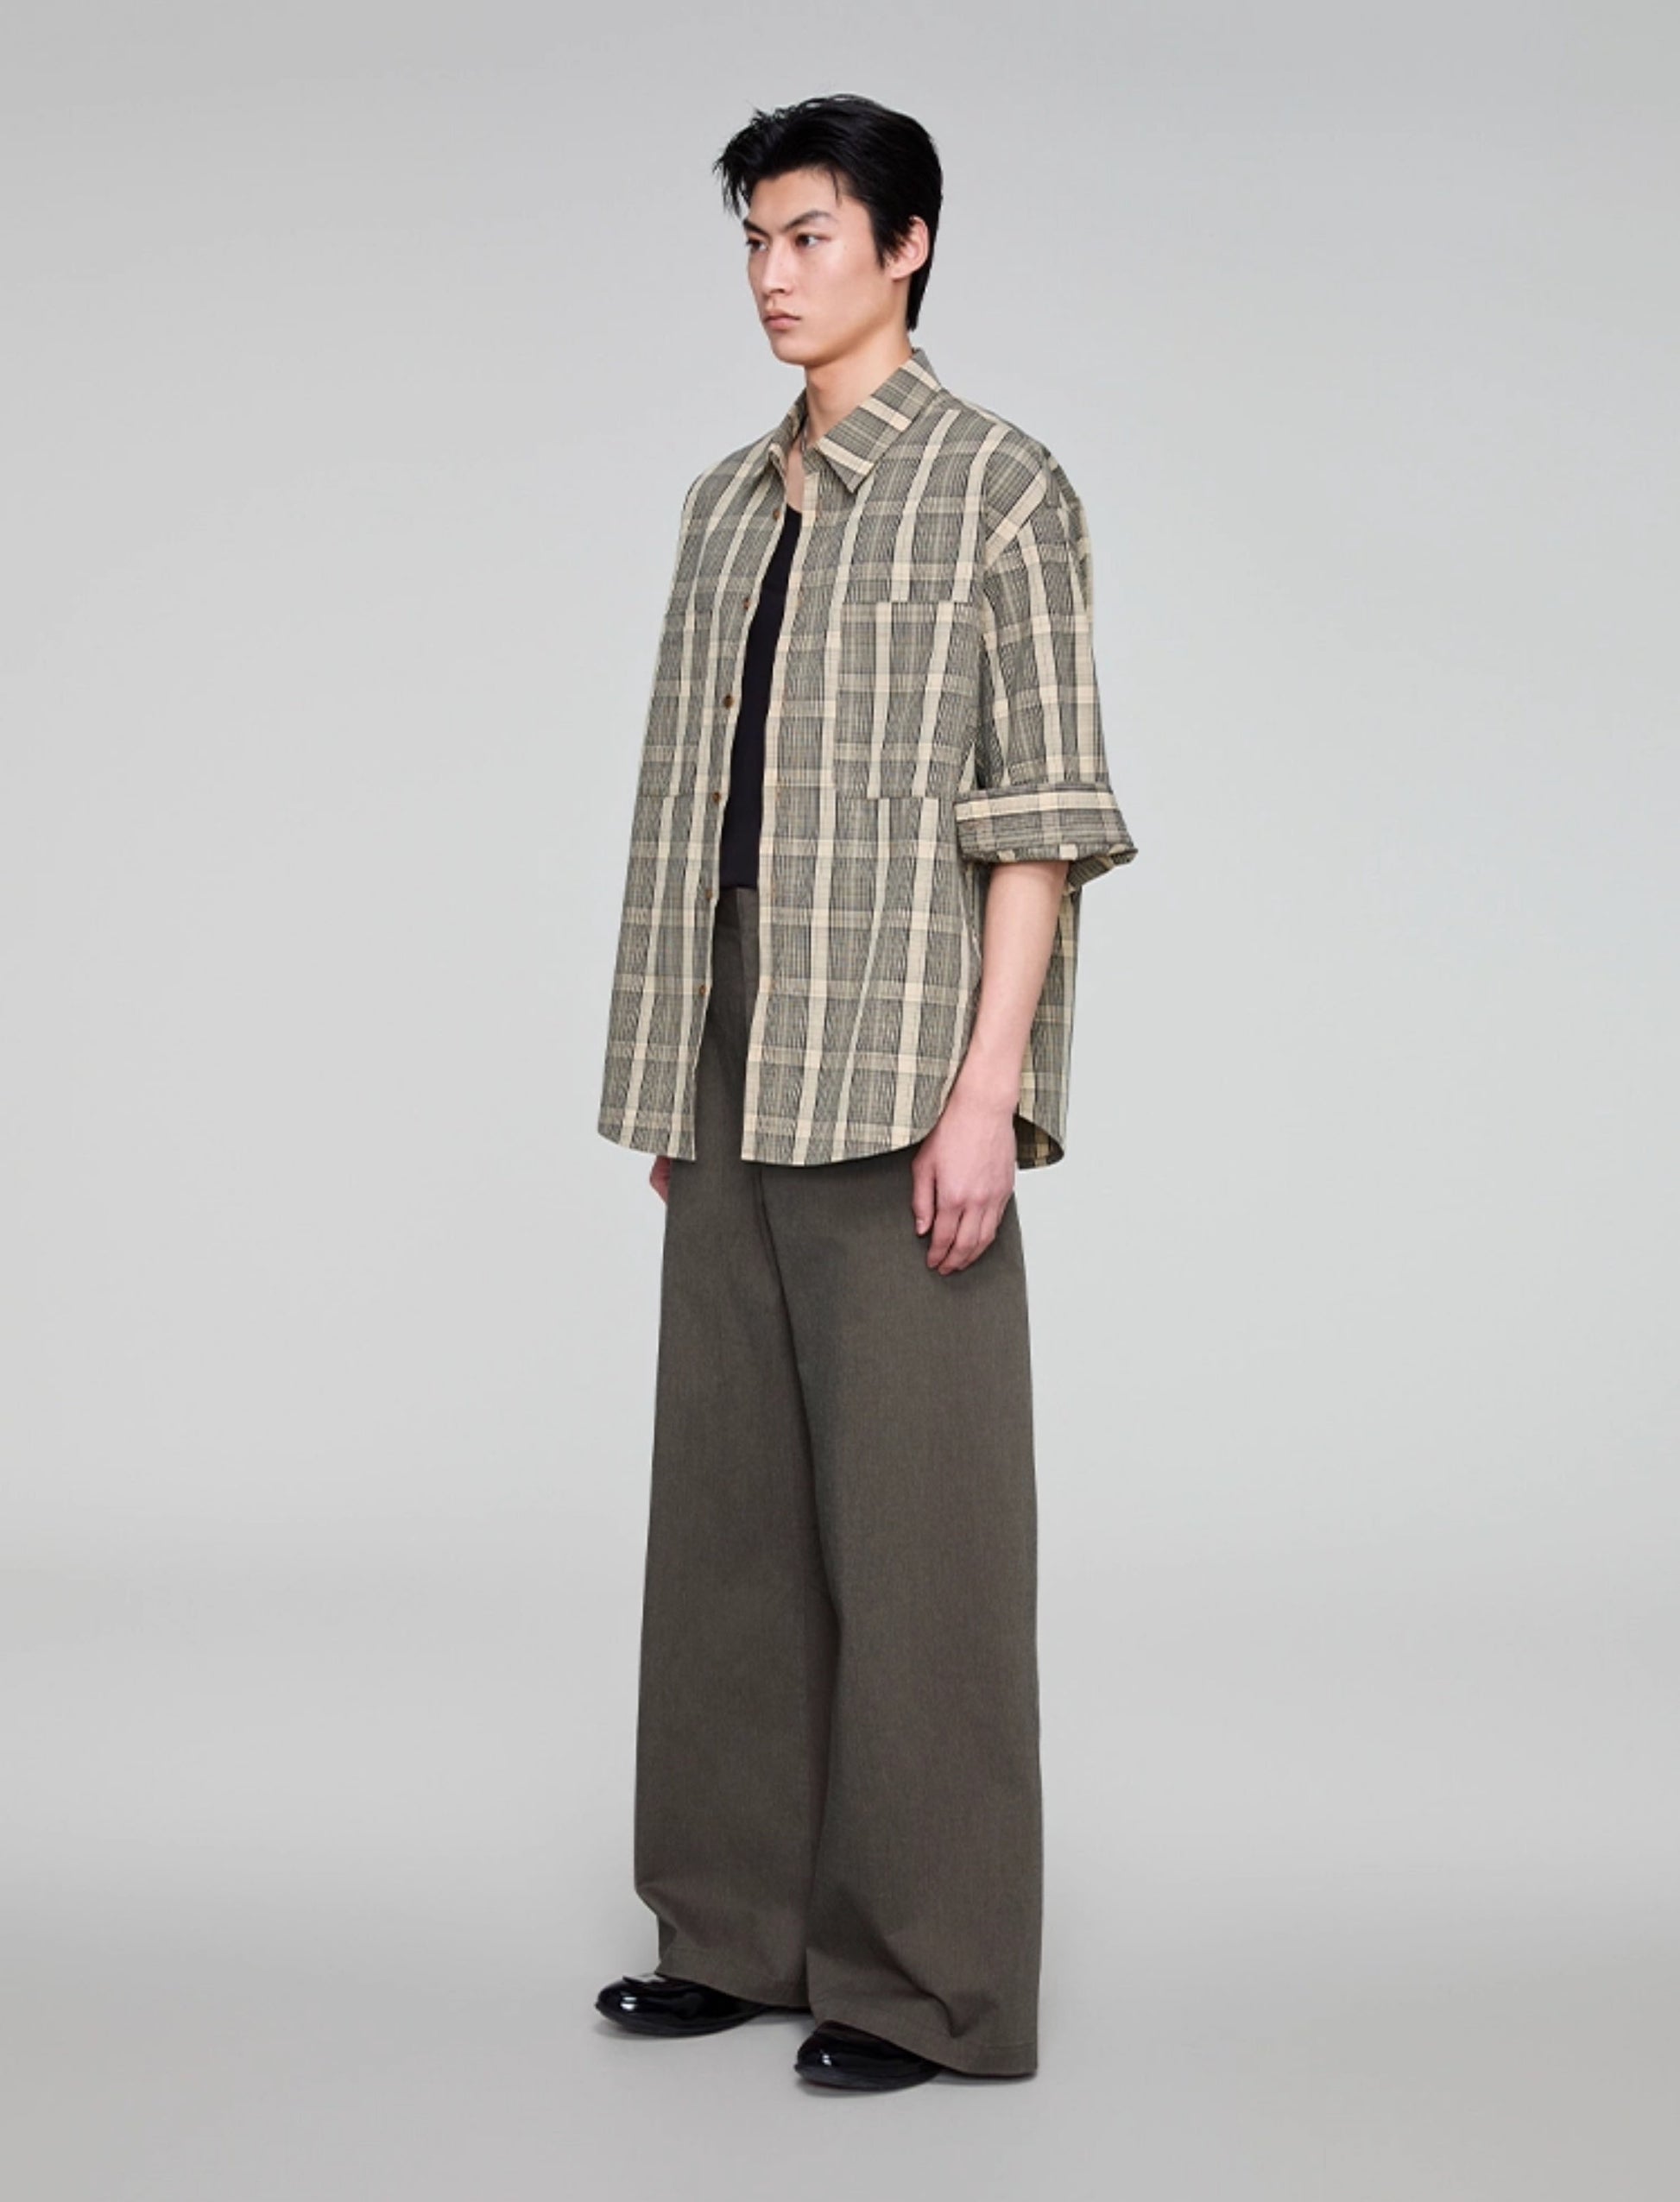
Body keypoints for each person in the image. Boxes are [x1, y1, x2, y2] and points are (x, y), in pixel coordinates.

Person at [593, 91, 1138, 2092]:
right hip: (732, 1043)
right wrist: (673, 1066)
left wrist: (988, 1094)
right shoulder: (722, 505)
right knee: (726, 1525)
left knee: (920, 1542)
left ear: (904, 244)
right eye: (754, 238)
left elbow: (1042, 819)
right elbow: (693, 813)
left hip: (905, 1054)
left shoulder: (1001, 484)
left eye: (809, 235)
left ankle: (926, 1980)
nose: (772, 273)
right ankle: (731, 1931)